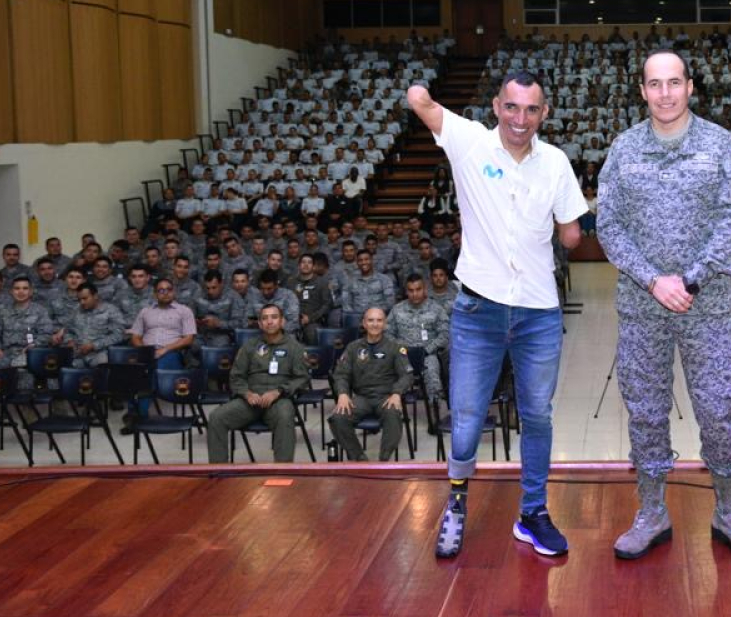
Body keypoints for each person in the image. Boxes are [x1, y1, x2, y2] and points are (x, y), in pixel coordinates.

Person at [407, 69, 586, 559]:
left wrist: (571, 224)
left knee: (537, 416)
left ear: (544, 113)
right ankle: (457, 502)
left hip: (537, 313)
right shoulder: (468, 142)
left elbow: (571, 234)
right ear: (495, 107)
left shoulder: (555, 164)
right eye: (512, 107)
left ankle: (533, 513)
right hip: (478, 311)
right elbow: (419, 102)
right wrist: (421, 90)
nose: (520, 119)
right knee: (465, 418)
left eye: (531, 109)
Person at [598, 50, 731, 561]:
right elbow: (608, 226)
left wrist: (688, 280)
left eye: (674, 82)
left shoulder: (719, 145)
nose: (665, 93)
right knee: (646, 413)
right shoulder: (623, 149)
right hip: (643, 307)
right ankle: (652, 511)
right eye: (655, 84)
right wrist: (654, 282)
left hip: (706, 306)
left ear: (690, 86)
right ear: (643, 90)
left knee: (717, 410)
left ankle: (729, 509)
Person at [206, 304, 309, 463]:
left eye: (274, 317)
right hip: (250, 399)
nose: (269, 322)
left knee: (285, 415)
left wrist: (278, 391)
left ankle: (282, 471)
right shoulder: (249, 346)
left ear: (282, 321)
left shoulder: (295, 347)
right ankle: (218, 471)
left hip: (278, 399)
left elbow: (302, 378)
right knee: (216, 417)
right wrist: (246, 393)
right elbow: (236, 377)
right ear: (260, 324)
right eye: (265, 318)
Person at [329, 307, 415, 462]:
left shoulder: (395, 348)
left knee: (393, 414)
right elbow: (341, 374)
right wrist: (342, 394)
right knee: (338, 418)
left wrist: (397, 393)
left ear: (385, 324)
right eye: (370, 320)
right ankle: (359, 459)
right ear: (364, 323)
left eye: (379, 320)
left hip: (386, 397)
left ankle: (383, 461)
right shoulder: (353, 348)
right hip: (362, 398)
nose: (375, 324)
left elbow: (407, 375)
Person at [125, 278, 197, 433]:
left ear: (174, 291)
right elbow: (135, 336)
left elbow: (189, 338)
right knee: (133, 368)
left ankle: (139, 416)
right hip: (147, 351)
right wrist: (145, 349)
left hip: (172, 352)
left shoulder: (184, 311)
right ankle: (133, 411)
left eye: (169, 289)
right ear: (155, 293)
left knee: (155, 369)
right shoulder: (145, 311)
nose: (165, 293)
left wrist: (165, 349)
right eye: (161, 290)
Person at [65, 283, 128, 369]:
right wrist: (69, 341)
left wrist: (94, 345)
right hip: (78, 354)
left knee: (102, 367)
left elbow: (119, 334)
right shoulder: (76, 310)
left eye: (85, 298)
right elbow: (68, 330)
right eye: (79, 299)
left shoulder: (110, 310)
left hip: (99, 353)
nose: (81, 302)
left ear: (95, 296)